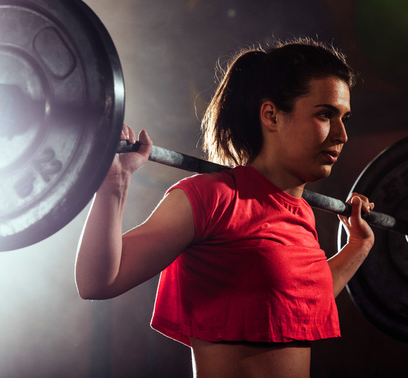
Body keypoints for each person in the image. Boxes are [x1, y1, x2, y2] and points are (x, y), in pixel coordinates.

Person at [75, 38, 375, 378]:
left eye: (344, 118)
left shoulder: (301, 212)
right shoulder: (212, 197)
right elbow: (98, 282)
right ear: (272, 116)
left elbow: (300, 303)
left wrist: (358, 245)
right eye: (325, 114)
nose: (342, 134)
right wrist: (114, 186)